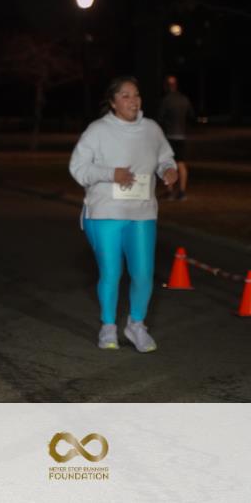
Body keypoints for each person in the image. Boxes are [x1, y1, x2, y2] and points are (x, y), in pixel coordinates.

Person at [69, 76, 178, 353]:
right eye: (126, 96)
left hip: (142, 211)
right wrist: (111, 174)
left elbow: (165, 157)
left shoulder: (151, 129)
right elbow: (78, 168)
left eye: (136, 95)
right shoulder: (98, 130)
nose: (133, 101)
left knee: (143, 273)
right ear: (113, 102)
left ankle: (136, 325)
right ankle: (108, 326)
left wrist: (168, 169)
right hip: (105, 211)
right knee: (111, 272)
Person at [157, 75, 195, 200]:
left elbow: (160, 118)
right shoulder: (184, 99)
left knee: (168, 163)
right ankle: (182, 191)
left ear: (166, 86)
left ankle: (170, 191)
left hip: (169, 136)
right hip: (181, 136)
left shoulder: (166, 100)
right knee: (181, 163)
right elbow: (191, 116)